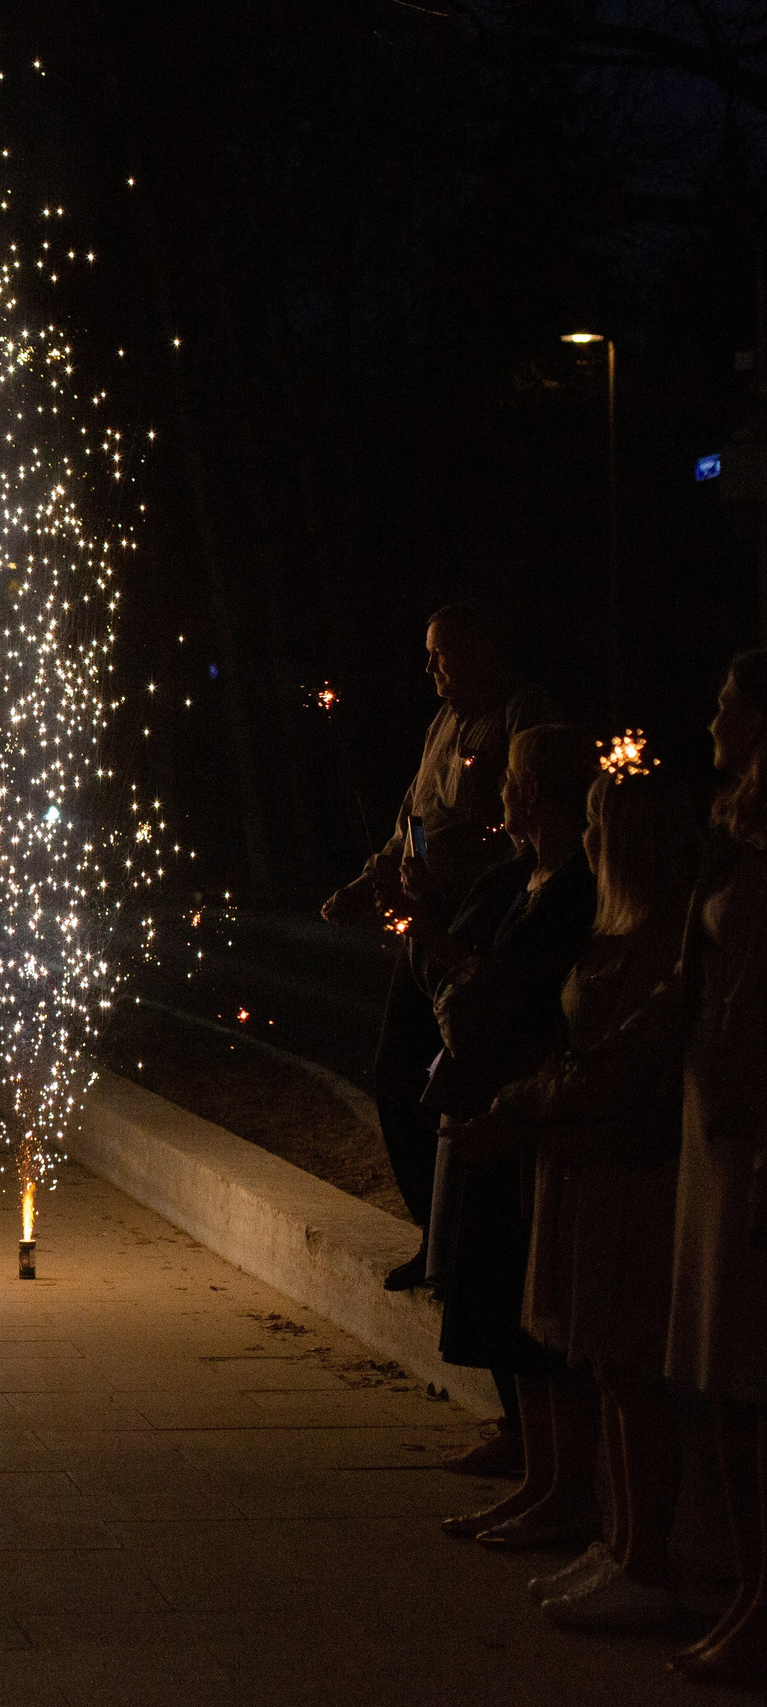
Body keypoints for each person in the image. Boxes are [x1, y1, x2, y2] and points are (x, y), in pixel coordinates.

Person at [452, 756, 690, 1627]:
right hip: (580, 1156)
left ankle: (645, 1555)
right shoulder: (615, 925)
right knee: (603, 1358)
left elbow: (619, 1063)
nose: (584, 840)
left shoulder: (658, 936)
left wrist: (520, 1104)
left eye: (597, 825)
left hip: (624, 1164)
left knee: (630, 1364)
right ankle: (621, 1541)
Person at [324, 600, 560, 1310]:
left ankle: (465, 1243)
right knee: (397, 1074)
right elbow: (413, 820)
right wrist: (370, 879)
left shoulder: (521, 715)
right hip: (425, 922)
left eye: (444, 653)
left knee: (455, 1082)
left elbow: (527, 822)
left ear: (482, 649)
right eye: (428, 655)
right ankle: (435, 1229)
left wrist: (466, 865)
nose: (431, 668)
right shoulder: (442, 724)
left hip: (480, 928)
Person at [402, 724, 596, 1547]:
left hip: (525, 1111)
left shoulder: (572, 888)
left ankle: (563, 1490)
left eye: (512, 778)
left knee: (534, 1310)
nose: (501, 791)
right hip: (492, 1106)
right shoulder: (517, 876)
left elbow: (517, 994)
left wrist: (459, 975)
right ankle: (538, 1475)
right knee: (507, 1305)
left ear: (539, 788)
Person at [664, 649, 767, 1685]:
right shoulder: (732, 832)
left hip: (751, 1138)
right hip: (712, 1127)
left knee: (746, 1370)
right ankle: (746, 1580)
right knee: (723, 1376)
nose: (711, 719)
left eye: (729, 705)